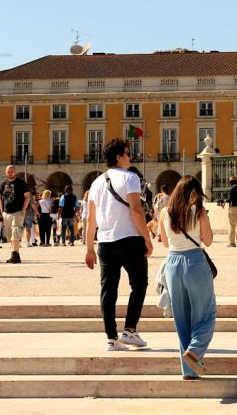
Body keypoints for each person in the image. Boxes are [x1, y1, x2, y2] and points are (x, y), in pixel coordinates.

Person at [85, 138, 153, 351]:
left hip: (105, 243)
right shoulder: (131, 177)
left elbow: (90, 219)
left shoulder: (96, 182)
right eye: (127, 153)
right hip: (129, 239)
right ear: (119, 157)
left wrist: (88, 249)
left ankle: (111, 339)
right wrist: (148, 239)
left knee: (108, 290)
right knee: (139, 285)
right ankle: (130, 330)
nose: (130, 157)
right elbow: (136, 210)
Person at [158, 175, 216, 381]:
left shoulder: (165, 212)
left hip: (172, 264)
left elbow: (164, 243)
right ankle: (194, 350)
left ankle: (189, 370)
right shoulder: (199, 212)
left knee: (181, 319)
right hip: (194, 262)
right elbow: (208, 241)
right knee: (206, 315)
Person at [0, 165, 30, 264]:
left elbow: (27, 197)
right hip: (6, 212)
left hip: (18, 211)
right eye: (8, 172)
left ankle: (15, 255)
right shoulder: (4, 184)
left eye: (12, 171)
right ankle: (15, 255)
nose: (10, 173)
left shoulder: (21, 183)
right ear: (6, 172)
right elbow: (1, 198)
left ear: (15, 172)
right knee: (9, 235)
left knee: (15, 233)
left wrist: (23, 210)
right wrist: (2, 211)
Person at [226, 176, 237, 247]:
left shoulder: (232, 188)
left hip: (233, 208)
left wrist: (224, 200)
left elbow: (229, 199)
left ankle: (232, 243)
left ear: (230, 182)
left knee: (232, 225)